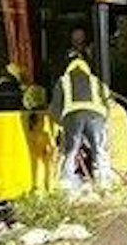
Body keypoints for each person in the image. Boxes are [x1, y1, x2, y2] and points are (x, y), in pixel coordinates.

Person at [49, 35, 117, 193]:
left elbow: (54, 110)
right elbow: (107, 102)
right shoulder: (95, 80)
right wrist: (101, 122)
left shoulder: (63, 81)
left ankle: (67, 183)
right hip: (97, 116)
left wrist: (63, 125)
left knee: (71, 151)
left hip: (73, 117)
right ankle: (104, 182)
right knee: (99, 149)